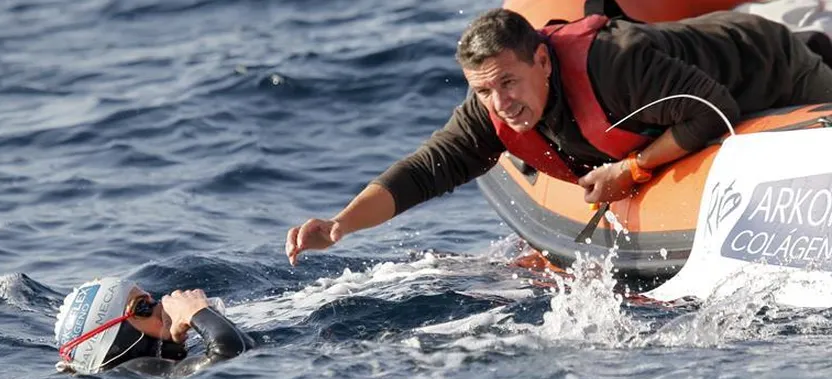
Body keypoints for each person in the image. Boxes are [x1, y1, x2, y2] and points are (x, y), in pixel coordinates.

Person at [285, 6, 832, 266]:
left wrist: (631, 171)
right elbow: (426, 169)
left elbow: (714, 111)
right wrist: (340, 225)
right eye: (483, 91)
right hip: (710, 79)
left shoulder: (616, 65)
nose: (501, 103)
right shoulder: (493, 111)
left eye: (508, 82)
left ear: (543, 61)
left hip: (769, 63)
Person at [53, 277, 255, 377]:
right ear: (115, 336)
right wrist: (196, 311)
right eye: (143, 307)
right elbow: (229, 357)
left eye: (152, 300)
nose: (160, 308)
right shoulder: (134, 370)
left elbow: (245, 349)